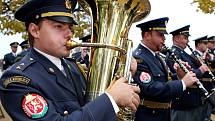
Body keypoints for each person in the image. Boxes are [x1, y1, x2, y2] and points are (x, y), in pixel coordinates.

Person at [0, 0, 141, 121]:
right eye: (58, 26)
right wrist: (111, 99)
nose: (69, 34)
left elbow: (93, 104)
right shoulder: (18, 79)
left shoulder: (74, 67)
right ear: (35, 30)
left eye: (70, 27)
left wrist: (122, 74)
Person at [132, 17, 197, 121]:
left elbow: (166, 79)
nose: (164, 39)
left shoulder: (156, 56)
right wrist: (182, 83)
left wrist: (179, 76)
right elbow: (151, 88)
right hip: (149, 116)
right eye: (160, 35)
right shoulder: (139, 57)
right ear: (147, 35)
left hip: (161, 115)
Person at [166, 25, 209, 121]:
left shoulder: (182, 53)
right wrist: (200, 70)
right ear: (176, 38)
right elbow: (180, 74)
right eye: (185, 38)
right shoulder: (174, 53)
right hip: (184, 101)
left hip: (192, 99)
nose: (188, 41)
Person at [192, 35, 214, 121]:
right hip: (202, 86)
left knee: (207, 110)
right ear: (198, 45)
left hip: (209, 85)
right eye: (205, 43)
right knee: (202, 111)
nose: (207, 45)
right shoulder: (194, 55)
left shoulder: (205, 55)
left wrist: (209, 57)